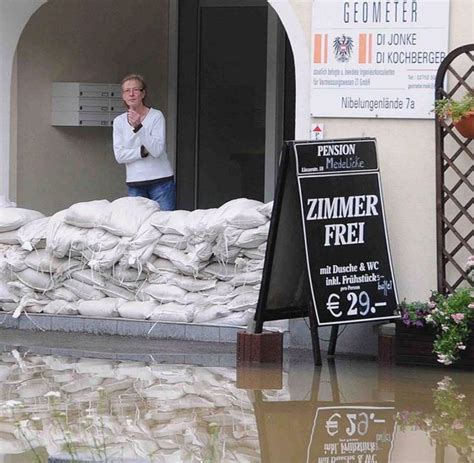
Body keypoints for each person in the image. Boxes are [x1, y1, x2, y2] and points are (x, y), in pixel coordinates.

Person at [113, 74, 176, 210]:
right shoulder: (119, 121)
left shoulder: (156, 116)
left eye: (136, 90)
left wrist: (138, 127)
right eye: (127, 91)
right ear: (123, 96)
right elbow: (119, 156)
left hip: (161, 181)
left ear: (143, 94)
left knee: (164, 223)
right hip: (135, 182)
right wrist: (141, 152)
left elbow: (157, 150)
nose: (131, 94)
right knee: (138, 226)